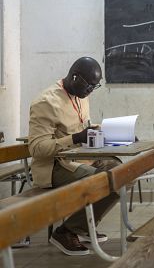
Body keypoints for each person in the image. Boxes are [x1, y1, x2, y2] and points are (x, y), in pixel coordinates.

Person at [28, 57, 119, 256]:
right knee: (100, 180)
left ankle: (83, 227)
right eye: (89, 86)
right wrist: (75, 138)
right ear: (75, 77)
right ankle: (66, 231)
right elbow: (36, 148)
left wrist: (115, 132)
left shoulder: (81, 94)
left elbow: (83, 127)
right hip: (54, 167)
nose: (90, 91)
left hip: (80, 159)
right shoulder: (46, 102)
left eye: (95, 87)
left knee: (119, 171)